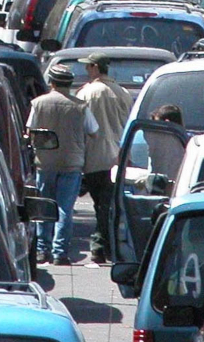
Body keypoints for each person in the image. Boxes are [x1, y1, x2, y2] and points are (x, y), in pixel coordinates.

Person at [28, 63, 99, 266]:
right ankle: (60, 253)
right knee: (65, 209)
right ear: (69, 84)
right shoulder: (80, 106)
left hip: (45, 162)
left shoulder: (38, 103)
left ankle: (43, 250)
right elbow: (94, 131)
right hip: (72, 163)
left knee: (44, 207)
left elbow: (30, 130)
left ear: (51, 82)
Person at [76, 52, 133, 264]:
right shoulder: (124, 93)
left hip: (94, 157)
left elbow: (80, 125)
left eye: (88, 67)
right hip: (118, 158)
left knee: (101, 205)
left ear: (96, 68)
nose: (86, 71)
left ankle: (100, 247)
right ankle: (106, 247)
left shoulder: (87, 93)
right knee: (109, 206)